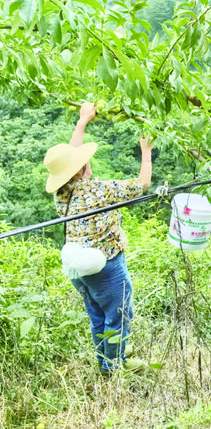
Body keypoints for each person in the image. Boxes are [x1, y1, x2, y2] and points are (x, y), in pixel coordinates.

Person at [43, 102, 155, 374]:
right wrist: (146, 152)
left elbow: (70, 160)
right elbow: (142, 184)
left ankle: (104, 362)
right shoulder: (99, 191)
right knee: (118, 315)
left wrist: (82, 122)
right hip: (106, 267)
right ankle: (115, 367)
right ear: (80, 170)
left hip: (78, 269)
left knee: (97, 316)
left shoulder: (62, 193)